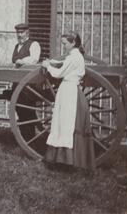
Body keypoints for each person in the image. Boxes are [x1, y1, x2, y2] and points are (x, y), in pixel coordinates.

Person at [42, 31, 95, 170]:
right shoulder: (74, 55)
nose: (63, 46)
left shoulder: (74, 57)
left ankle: (65, 160)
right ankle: (65, 158)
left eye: (65, 43)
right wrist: (53, 62)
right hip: (69, 89)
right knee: (64, 123)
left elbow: (59, 73)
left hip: (69, 91)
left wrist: (48, 66)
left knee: (65, 123)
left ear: (73, 43)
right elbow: (63, 62)